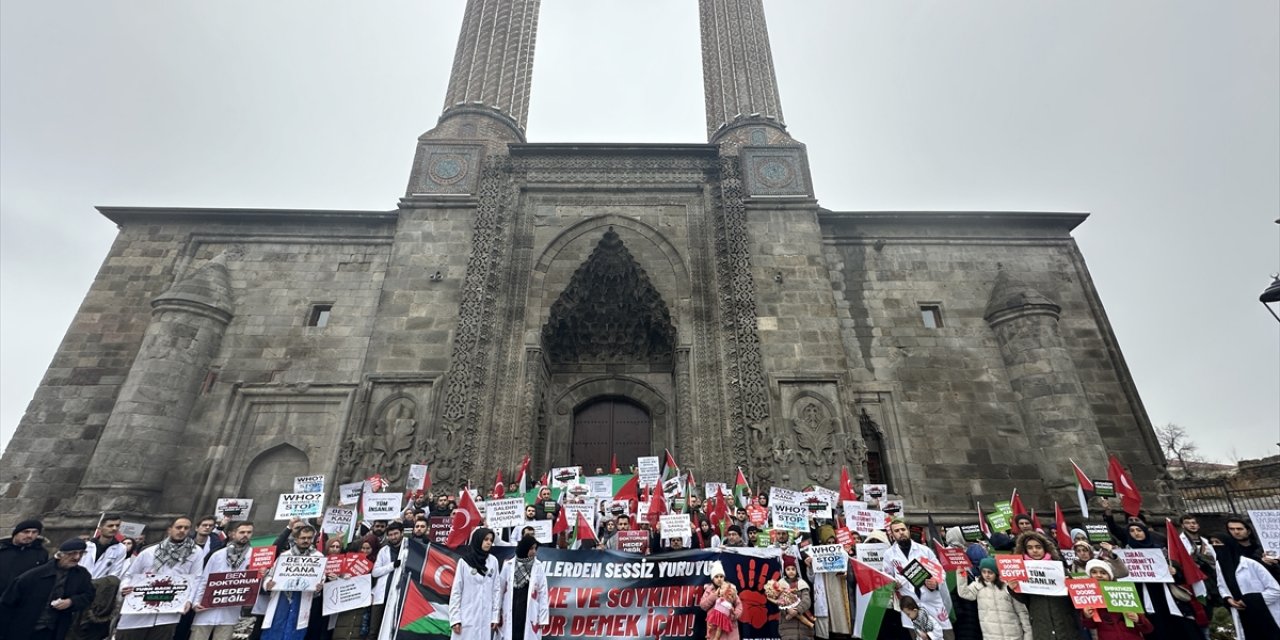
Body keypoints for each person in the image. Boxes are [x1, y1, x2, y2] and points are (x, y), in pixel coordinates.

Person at [118, 516, 203, 640]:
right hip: (137, 611)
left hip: (168, 613)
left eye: (186, 528)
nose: (182, 530)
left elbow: (196, 578)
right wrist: (125, 587)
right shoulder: (149, 552)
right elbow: (129, 575)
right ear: (169, 530)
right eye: (179, 527)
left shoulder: (196, 553)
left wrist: (190, 600)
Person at [0, 538, 95, 640]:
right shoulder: (34, 576)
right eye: (72, 553)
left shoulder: (81, 575)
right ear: (60, 555)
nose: (77, 557)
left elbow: (88, 595)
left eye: (81, 553)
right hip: (25, 629)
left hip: (55, 630)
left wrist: (71, 602)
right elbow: (7, 603)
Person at [1120, 522, 1198, 640]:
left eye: (1139, 530)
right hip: (1147, 599)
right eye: (1132, 531)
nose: (1136, 533)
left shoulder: (1160, 550)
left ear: (1145, 532)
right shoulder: (1125, 554)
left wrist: (1175, 572)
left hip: (1168, 597)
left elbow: (1181, 575)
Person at [882, 519, 950, 637]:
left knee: (942, 635)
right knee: (918, 636)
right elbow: (887, 577)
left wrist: (936, 582)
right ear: (892, 535)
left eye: (903, 529)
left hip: (931, 601)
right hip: (909, 604)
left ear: (908, 531)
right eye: (897, 531)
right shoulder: (889, 554)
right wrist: (894, 585)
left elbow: (940, 572)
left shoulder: (924, 550)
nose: (901, 533)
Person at [1214, 517, 1280, 639]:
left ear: (1248, 530)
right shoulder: (1226, 556)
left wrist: (1271, 564)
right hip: (1245, 610)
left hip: (1269, 602)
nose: (1236, 532)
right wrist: (1227, 598)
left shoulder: (1262, 548)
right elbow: (1223, 583)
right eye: (1232, 529)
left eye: (1239, 528)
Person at [190, 521, 255, 640]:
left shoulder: (254, 556)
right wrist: (196, 602)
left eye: (249, 532)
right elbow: (204, 579)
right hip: (206, 609)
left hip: (230, 612)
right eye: (242, 532)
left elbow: (253, 584)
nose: (245, 535)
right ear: (232, 534)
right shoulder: (218, 555)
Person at [1008, 532, 1076, 640]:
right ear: (1025, 550)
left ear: (1045, 548)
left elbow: (1074, 600)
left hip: (1064, 624)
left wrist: (1070, 588)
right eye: (1030, 548)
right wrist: (1013, 589)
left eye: (1038, 547)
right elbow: (1026, 600)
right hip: (1041, 625)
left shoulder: (1059, 569)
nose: (1034, 551)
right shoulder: (1022, 572)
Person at [261, 524, 325, 640]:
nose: (306, 541)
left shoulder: (318, 557)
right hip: (282, 598)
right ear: (296, 539)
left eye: (309, 538)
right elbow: (270, 575)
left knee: (295, 633)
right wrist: (268, 583)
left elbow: (321, 577)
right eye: (303, 538)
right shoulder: (284, 556)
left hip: (302, 598)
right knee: (275, 631)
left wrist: (319, 585)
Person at [956, 557, 1032, 640]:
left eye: (990, 572)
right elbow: (964, 593)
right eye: (984, 572)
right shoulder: (977, 585)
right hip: (990, 635)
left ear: (996, 573)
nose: (987, 575)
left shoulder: (1007, 586)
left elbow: (1021, 611)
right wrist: (961, 576)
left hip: (1013, 635)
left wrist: (1028, 635)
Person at [1079, 560, 1153, 640]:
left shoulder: (1126, 593)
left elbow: (1148, 629)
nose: (1099, 575)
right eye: (1094, 572)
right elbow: (1090, 626)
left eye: (1103, 573)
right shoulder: (1090, 598)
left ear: (1110, 577)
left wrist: (1138, 619)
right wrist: (1086, 616)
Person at [449, 527, 500, 640]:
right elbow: (456, 591)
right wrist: (455, 619)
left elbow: (496, 590)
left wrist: (495, 616)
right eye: (485, 539)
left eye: (491, 540)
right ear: (478, 540)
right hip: (466, 615)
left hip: (485, 617)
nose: (488, 543)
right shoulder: (464, 562)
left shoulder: (493, 561)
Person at [497, 536, 548, 640]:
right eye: (531, 548)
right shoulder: (508, 565)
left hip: (528, 609)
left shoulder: (538, 567)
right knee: (512, 634)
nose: (534, 551)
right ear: (524, 548)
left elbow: (543, 593)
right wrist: (496, 614)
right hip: (512, 607)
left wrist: (543, 618)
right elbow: (500, 590)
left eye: (535, 548)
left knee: (525, 634)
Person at [0, 518, 48, 595]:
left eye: (34, 532)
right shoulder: (2, 549)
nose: (30, 535)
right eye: (26, 532)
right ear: (16, 533)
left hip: (22, 598)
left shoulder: (41, 553)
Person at [699, 562, 743, 640]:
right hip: (714, 628)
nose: (719, 579)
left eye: (721, 576)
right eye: (716, 577)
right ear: (712, 578)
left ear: (724, 577)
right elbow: (703, 606)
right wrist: (714, 596)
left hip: (729, 629)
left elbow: (739, 605)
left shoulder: (731, 589)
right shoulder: (709, 590)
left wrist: (734, 616)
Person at [772, 558, 813, 640]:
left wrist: (797, 610)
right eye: (788, 569)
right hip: (787, 624)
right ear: (785, 571)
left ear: (796, 570)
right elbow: (779, 602)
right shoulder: (780, 585)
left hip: (803, 623)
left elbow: (806, 601)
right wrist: (787, 610)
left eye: (793, 569)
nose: (791, 571)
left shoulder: (802, 584)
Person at [80, 514, 129, 579]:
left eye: (117, 525)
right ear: (100, 529)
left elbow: (114, 573)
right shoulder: (87, 545)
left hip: (99, 585)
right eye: (110, 526)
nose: (114, 528)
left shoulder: (121, 548)